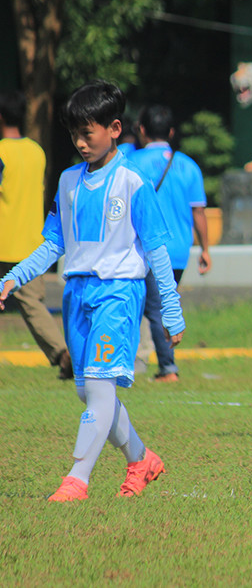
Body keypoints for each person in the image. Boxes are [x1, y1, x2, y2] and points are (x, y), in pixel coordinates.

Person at [0, 80, 185, 501]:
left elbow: (157, 249)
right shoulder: (67, 182)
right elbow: (53, 244)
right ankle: (141, 460)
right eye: (74, 134)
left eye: (88, 133)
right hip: (75, 296)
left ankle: (76, 480)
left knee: (99, 389)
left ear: (115, 128)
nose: (80, 143)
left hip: (118, 295)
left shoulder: (133, 182)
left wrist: (171, 310)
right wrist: (14, 277)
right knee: (90, 391)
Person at [128, 105, 212, 382]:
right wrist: (206, 249)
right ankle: (142, 361)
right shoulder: (188, 165)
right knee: (160, 303)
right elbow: (198, 211)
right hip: (179, 249)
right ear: (172, 132)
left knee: (153, 309)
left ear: (142, 130)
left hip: (147, 247)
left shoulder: (131, 162)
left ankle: (167, 368)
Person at [0, 90, 74, 380]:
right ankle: (61, 353)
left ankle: (63, 355)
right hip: (32, 242)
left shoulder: (1, 152)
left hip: (4, 240)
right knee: (33, 305)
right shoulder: (36, 151)